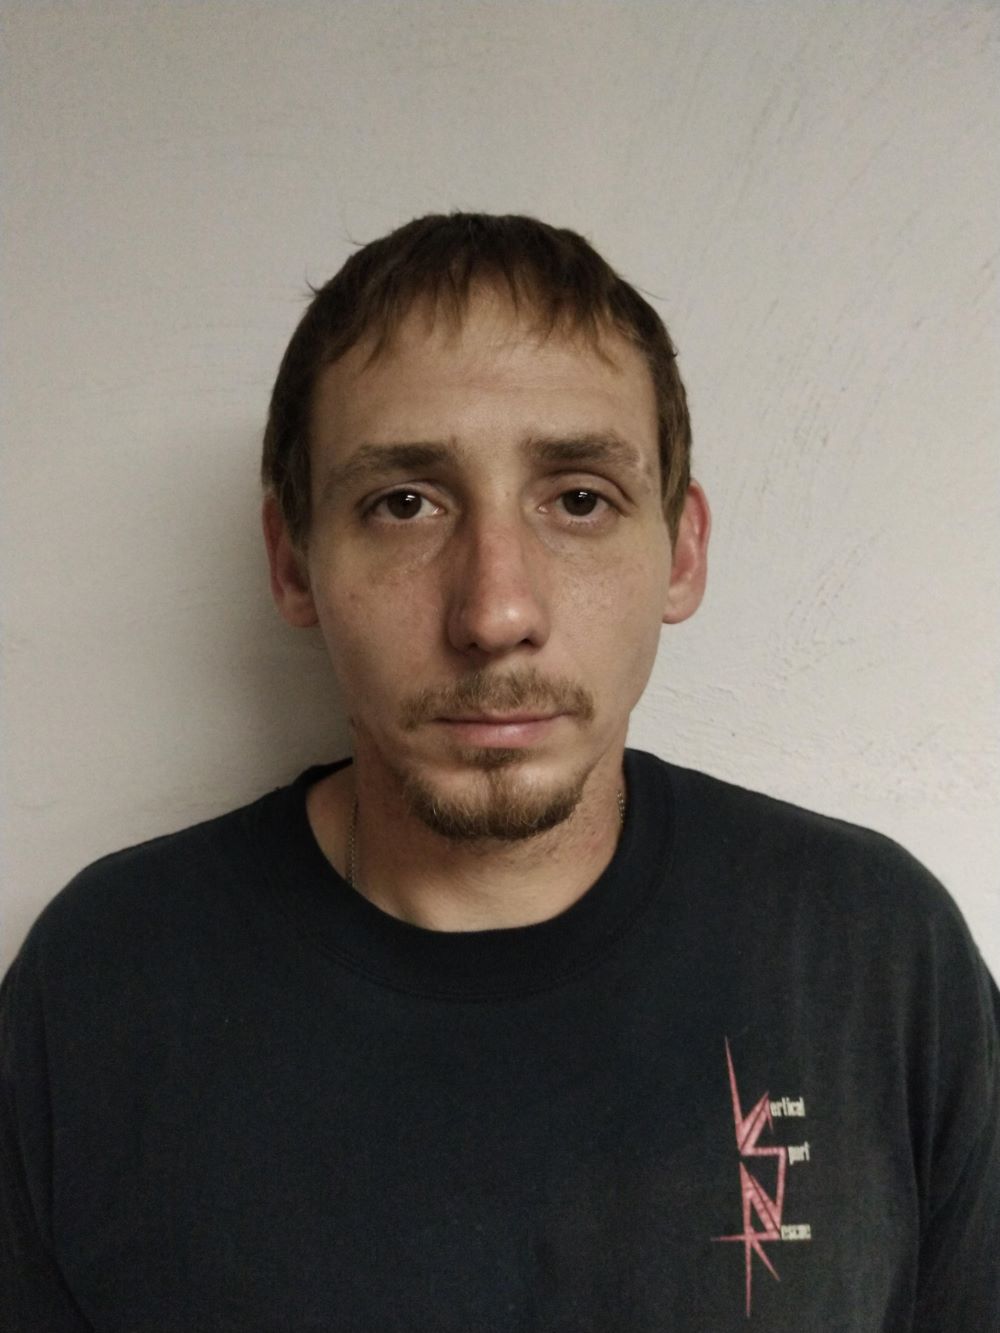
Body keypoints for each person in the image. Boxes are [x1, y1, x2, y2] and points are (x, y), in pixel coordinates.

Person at [2, 213, 997, 1331]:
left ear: (681, 550)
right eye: (404, 504)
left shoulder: (871, 953)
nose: (495, 612)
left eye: (579, 498)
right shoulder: (100, 989)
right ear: (293, 563)